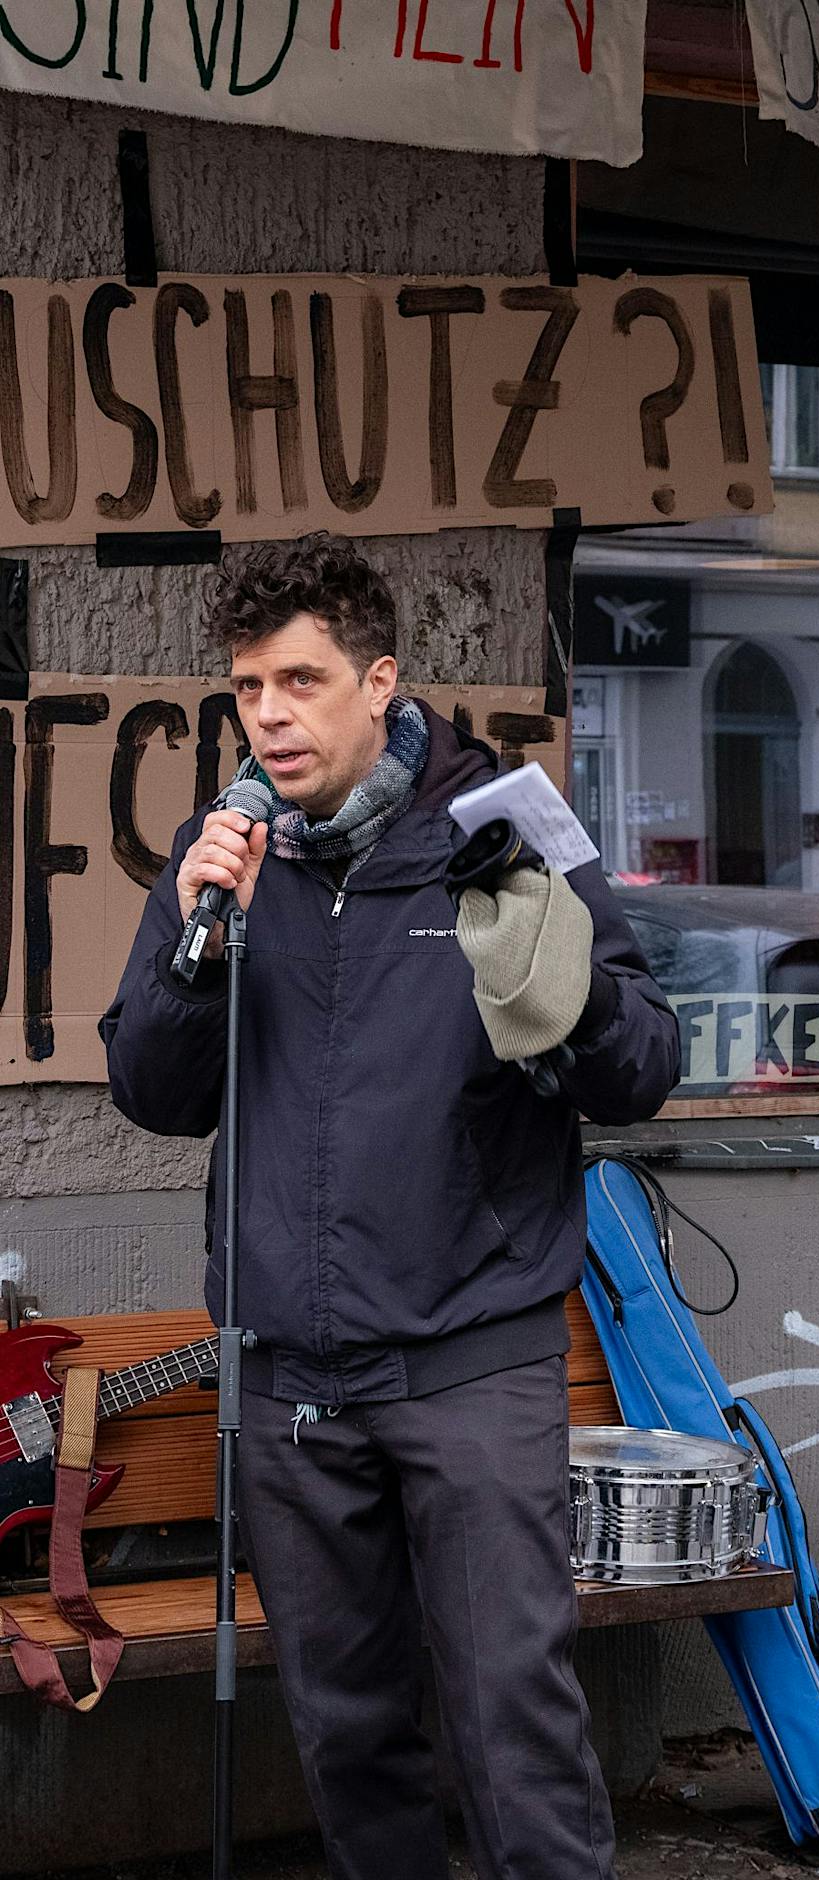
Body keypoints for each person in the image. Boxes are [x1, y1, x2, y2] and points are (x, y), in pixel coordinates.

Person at [99, 535, 681, 1880]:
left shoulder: (508, 827)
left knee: (510, 1728)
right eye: (247, 687)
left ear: (380, 680)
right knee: (351, 1741)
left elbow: (644, 1064)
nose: (270, 714)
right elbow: (151, 1090)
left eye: (300, 679)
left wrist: (568, 992)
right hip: (291, 1374)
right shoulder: (223, 851)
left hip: (468, 1357)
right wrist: (192, 950)